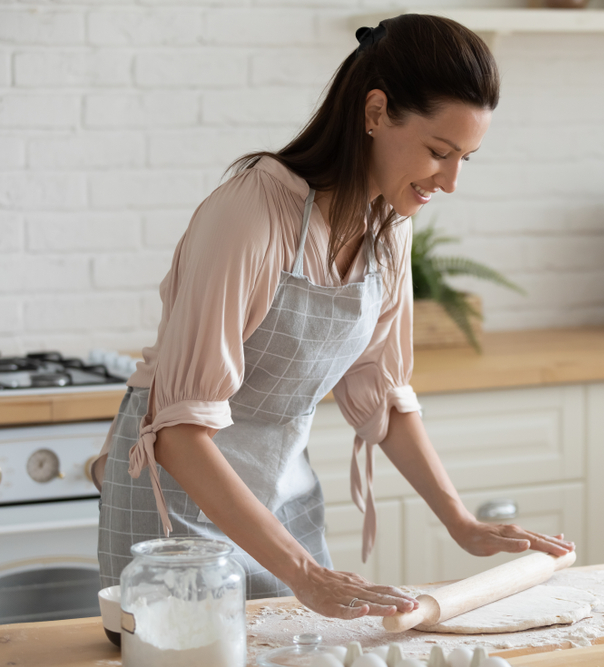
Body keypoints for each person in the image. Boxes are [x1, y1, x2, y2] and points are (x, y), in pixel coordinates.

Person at [91, 14, 574, 620]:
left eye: (465, 160)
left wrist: (462, 522)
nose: (449, 182)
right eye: (437, 152)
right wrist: (305, 574)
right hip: (180, 507)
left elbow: (382, 392)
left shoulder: (388, 229)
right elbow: (179, 434)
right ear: (375, 113)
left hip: (282, 496)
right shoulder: (252, 214)